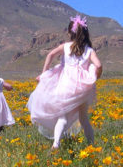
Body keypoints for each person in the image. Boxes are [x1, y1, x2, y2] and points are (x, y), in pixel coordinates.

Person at [27, 15, 102, 149]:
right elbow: (99, 65)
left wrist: (44, 73)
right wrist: (96, 76)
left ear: (69, 32)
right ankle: (92, 146)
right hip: (83, 89)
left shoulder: (65, 46)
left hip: (66, 86)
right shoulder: (89, 50)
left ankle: (56, 144)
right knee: (84, 119)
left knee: (63, 117)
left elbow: (50, 55)